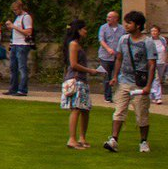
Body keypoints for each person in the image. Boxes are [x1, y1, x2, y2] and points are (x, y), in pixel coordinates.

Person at [104, 10, 157, 153]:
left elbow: (152, 64)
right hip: (124, 80)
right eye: (125, 22)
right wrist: (115, 76)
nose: (126, 25)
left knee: (141, 113)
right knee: (119, 110)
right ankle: (114, 139)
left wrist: (148, 86)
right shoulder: (123, 40)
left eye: (129, 23)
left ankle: (143, 141)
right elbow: (119, 58)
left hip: (139, 82)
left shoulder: (148, 42)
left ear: (138, 25)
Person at [60, 19, 100, 149]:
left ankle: (82, 137)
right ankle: (72, 138)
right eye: (84, 29)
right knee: (76, 109)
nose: (86, 31)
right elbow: (73, 64)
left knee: (85, 109)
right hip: (76, 79)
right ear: (78, 30)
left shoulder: (77, 44)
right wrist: (90, 70)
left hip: (82, 79)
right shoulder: (73, 44)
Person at [6, 0, 33, 96]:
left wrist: (14, 27)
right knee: (13, 67)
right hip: (15, 44)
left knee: (22, 67)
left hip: (22, 45)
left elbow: (28, 32)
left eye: (16, 10)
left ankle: (22, 89)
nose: (15, 12)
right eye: (13, 10)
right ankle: (13, 88)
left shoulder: (26, 17)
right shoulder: (17, 17)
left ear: (20, 8)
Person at [97, 10, 125, 103]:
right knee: (106, 76)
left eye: (110, 17)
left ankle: (119, 95)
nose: (107, 19)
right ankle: (108, 96)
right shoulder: (103, 28)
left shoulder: (122, 29)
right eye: (107, 17)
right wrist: (108, 49)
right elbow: (101, 40)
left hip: (118, 57)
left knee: (118, 76)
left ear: (116, 18)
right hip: (105, 56)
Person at [148, 25, 168, 104]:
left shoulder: (162, 40)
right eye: (152, 31)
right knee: (156, 79)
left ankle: (152, 95)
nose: (154, 32)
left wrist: (166, 60)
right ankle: (158, 97)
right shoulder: (149, 41)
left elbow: (165, 50)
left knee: (157, 79)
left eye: (155, 31)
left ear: (158, 32)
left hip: (161, 62)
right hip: (153, 62)